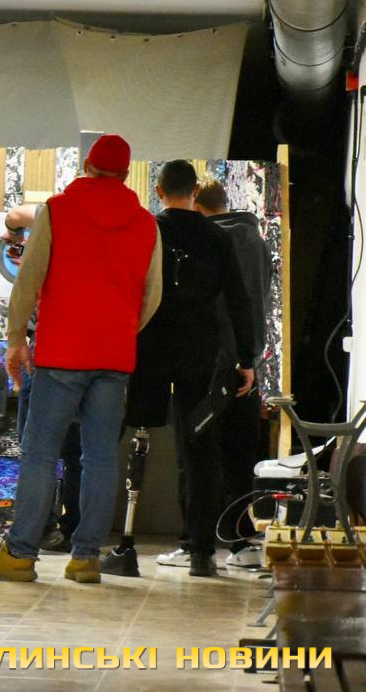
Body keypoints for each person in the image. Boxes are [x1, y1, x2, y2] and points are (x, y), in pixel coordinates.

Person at [0, 134, 162, 584]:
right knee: (100, 458)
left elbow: (29, 279)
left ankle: (20, 554)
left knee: (39, 453)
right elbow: (153, 295)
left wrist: (17, 338)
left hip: (61, 353)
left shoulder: (57, 210)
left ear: (87, 166)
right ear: (125, 174)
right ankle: (86, 557)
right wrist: (120, 332)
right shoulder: (147, 223)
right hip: (114, 357)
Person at [126, 162, 257, 577]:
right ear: (195, 191)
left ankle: (107, 542)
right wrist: (247, 359)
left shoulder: (148, 230)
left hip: (149, 347)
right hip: (199, 350)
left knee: (130, 436)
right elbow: (238, 300)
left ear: (159, 190)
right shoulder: (218, 237)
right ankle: (201, 551)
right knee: (200, 447)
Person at [192, 177, 272, 569]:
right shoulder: (256, 239)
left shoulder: (208, 242)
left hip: (212, 360)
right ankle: (241, 542)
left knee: (201, 456)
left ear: (196, 203)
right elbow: (260, 301)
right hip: (247, 363)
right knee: (240, 455)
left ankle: (198, 545)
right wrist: (250, 359)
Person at [3, 202, 80, 554]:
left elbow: (14, 217)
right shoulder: (100, 234)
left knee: (36, 449)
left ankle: (38, 530)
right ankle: (74, 533)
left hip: (45, 352)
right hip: (85, 354)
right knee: (79, 452)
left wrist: (15, 237)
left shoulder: (56, 213)